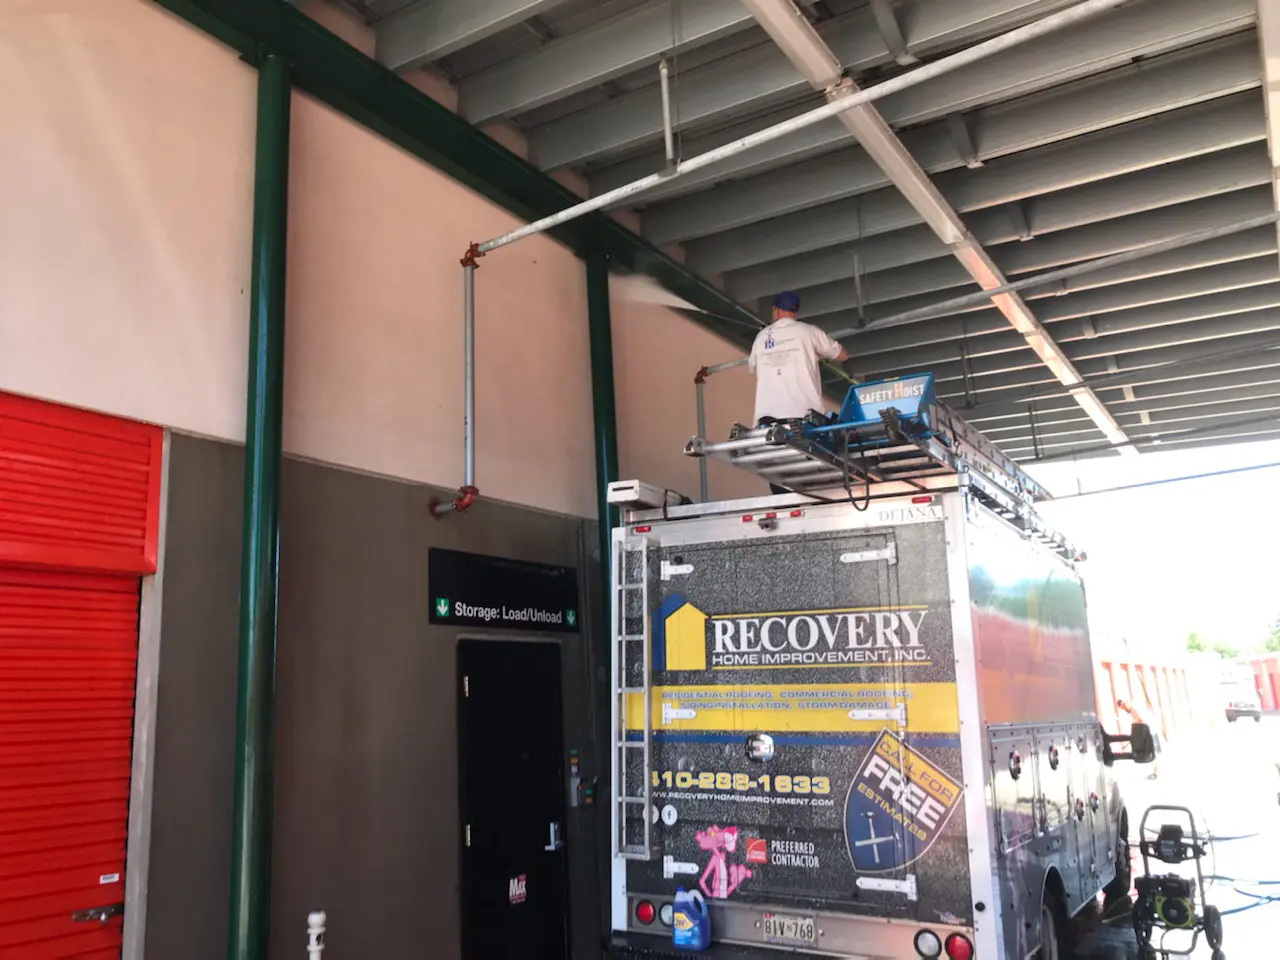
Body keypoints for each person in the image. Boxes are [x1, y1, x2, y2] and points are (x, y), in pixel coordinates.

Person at [748, 291, 848, 494]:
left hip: (767, 423)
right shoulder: (809, 332)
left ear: (775, 310)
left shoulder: (761, 337)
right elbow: (842, 355)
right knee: (810, 479)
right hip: (803, 421)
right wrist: (816, 355)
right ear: (794, 311)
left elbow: (752, 368)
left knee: (779, 479)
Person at [1117, 698, 1161, 779]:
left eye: (1123, 704)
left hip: (1150, 732)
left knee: (1153, 753)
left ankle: (1156, 772)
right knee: (1153, 753)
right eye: (1122, 706)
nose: (1124, 707)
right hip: (1150, 731)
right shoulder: (1132, 710)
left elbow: (1140, 720)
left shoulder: (1133, 710)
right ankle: (1156, 772)